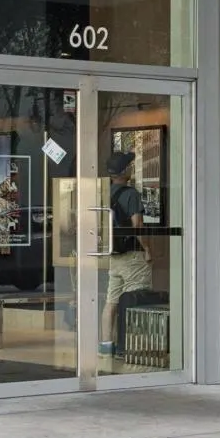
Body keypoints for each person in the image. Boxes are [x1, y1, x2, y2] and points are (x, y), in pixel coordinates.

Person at [98, 149, 152, 358]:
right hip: (132, 256)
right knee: (135, 298)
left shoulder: (106, 193)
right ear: (124, 171)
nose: (132, 168)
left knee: (112, 301)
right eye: (130, 165)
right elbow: (137, 226)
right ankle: (129, 345)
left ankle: (106, 345)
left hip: (114, 256)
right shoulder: (131, 194)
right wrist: (147, 249)